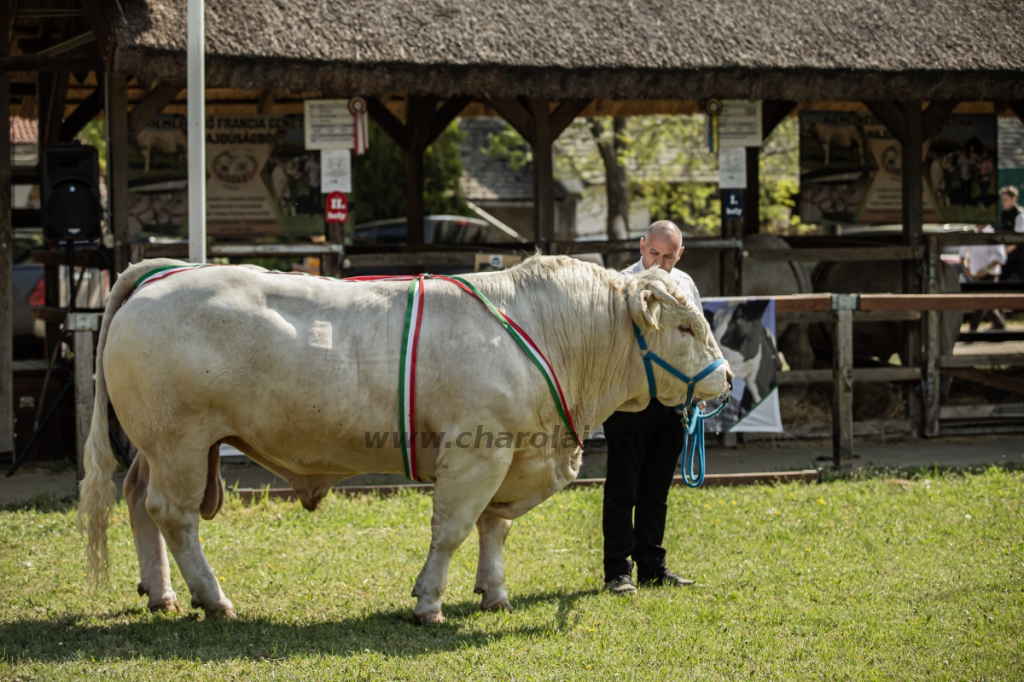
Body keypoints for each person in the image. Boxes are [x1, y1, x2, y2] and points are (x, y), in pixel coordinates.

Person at [603, 220, 702, 596]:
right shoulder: (619, 284)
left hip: (673, 399)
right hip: (630, 401)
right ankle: (617, 570)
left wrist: (697, 387)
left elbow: (697, 338)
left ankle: (652, 567)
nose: (660, 262)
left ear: (681, 254)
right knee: (622, 488)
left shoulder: (687, 284)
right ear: (642, 246)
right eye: (654, 253)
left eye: (669, 256)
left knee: (656, 489)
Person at [959, 224, 1007, 330]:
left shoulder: (991, 234)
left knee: (981, 303)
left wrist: (985, 270)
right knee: (987, 304)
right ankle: (1000, 326)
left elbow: (1001, 257)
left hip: (990, 275)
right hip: (975, 276)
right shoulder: (972, 234)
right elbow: (962, 254)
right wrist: (966, 268)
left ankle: (972, 330)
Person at [1000, 186, 1024, 281]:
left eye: (1005, 199)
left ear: (1013, 199)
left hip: (1020, 258)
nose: (1003, 202)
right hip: (1007, 258)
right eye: (1002, 199)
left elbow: (1018, 240)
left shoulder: (1020, 215)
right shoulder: (1004, 214)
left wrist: (1004, 252)